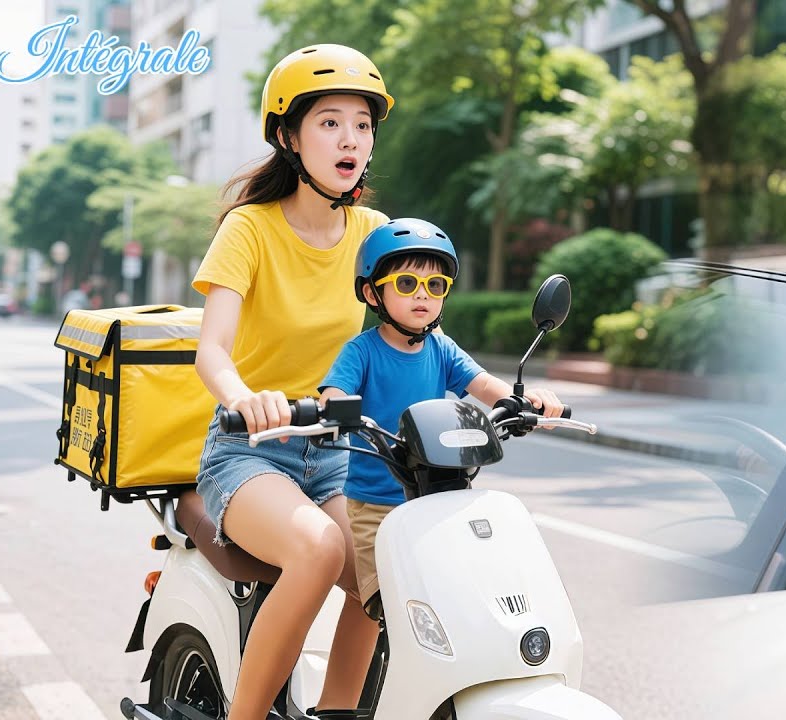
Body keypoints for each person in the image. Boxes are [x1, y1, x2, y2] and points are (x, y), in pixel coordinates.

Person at [192, 44, 393, 719]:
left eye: (362, 124)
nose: (351, 139)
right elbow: (212, 351)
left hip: (339, 454)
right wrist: (245, 398)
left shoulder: (375, 234)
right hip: (249, 450)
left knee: (385, 569)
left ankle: (335, 713)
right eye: (330, 122)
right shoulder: (249, 228)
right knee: (318, 547)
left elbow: (414, 334)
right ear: (288, 137)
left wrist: (486, 393)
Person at [318, 218, 564, 619]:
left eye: (435, 285)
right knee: (388, 606)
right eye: (406, 283)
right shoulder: (361, 352)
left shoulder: (442, 348)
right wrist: (334, 408)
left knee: (459, 597)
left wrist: (526, 402)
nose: (423, 294)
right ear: (372, 292)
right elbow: (335, 393)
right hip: (376, 506)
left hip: (439, 498)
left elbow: (484, 385)